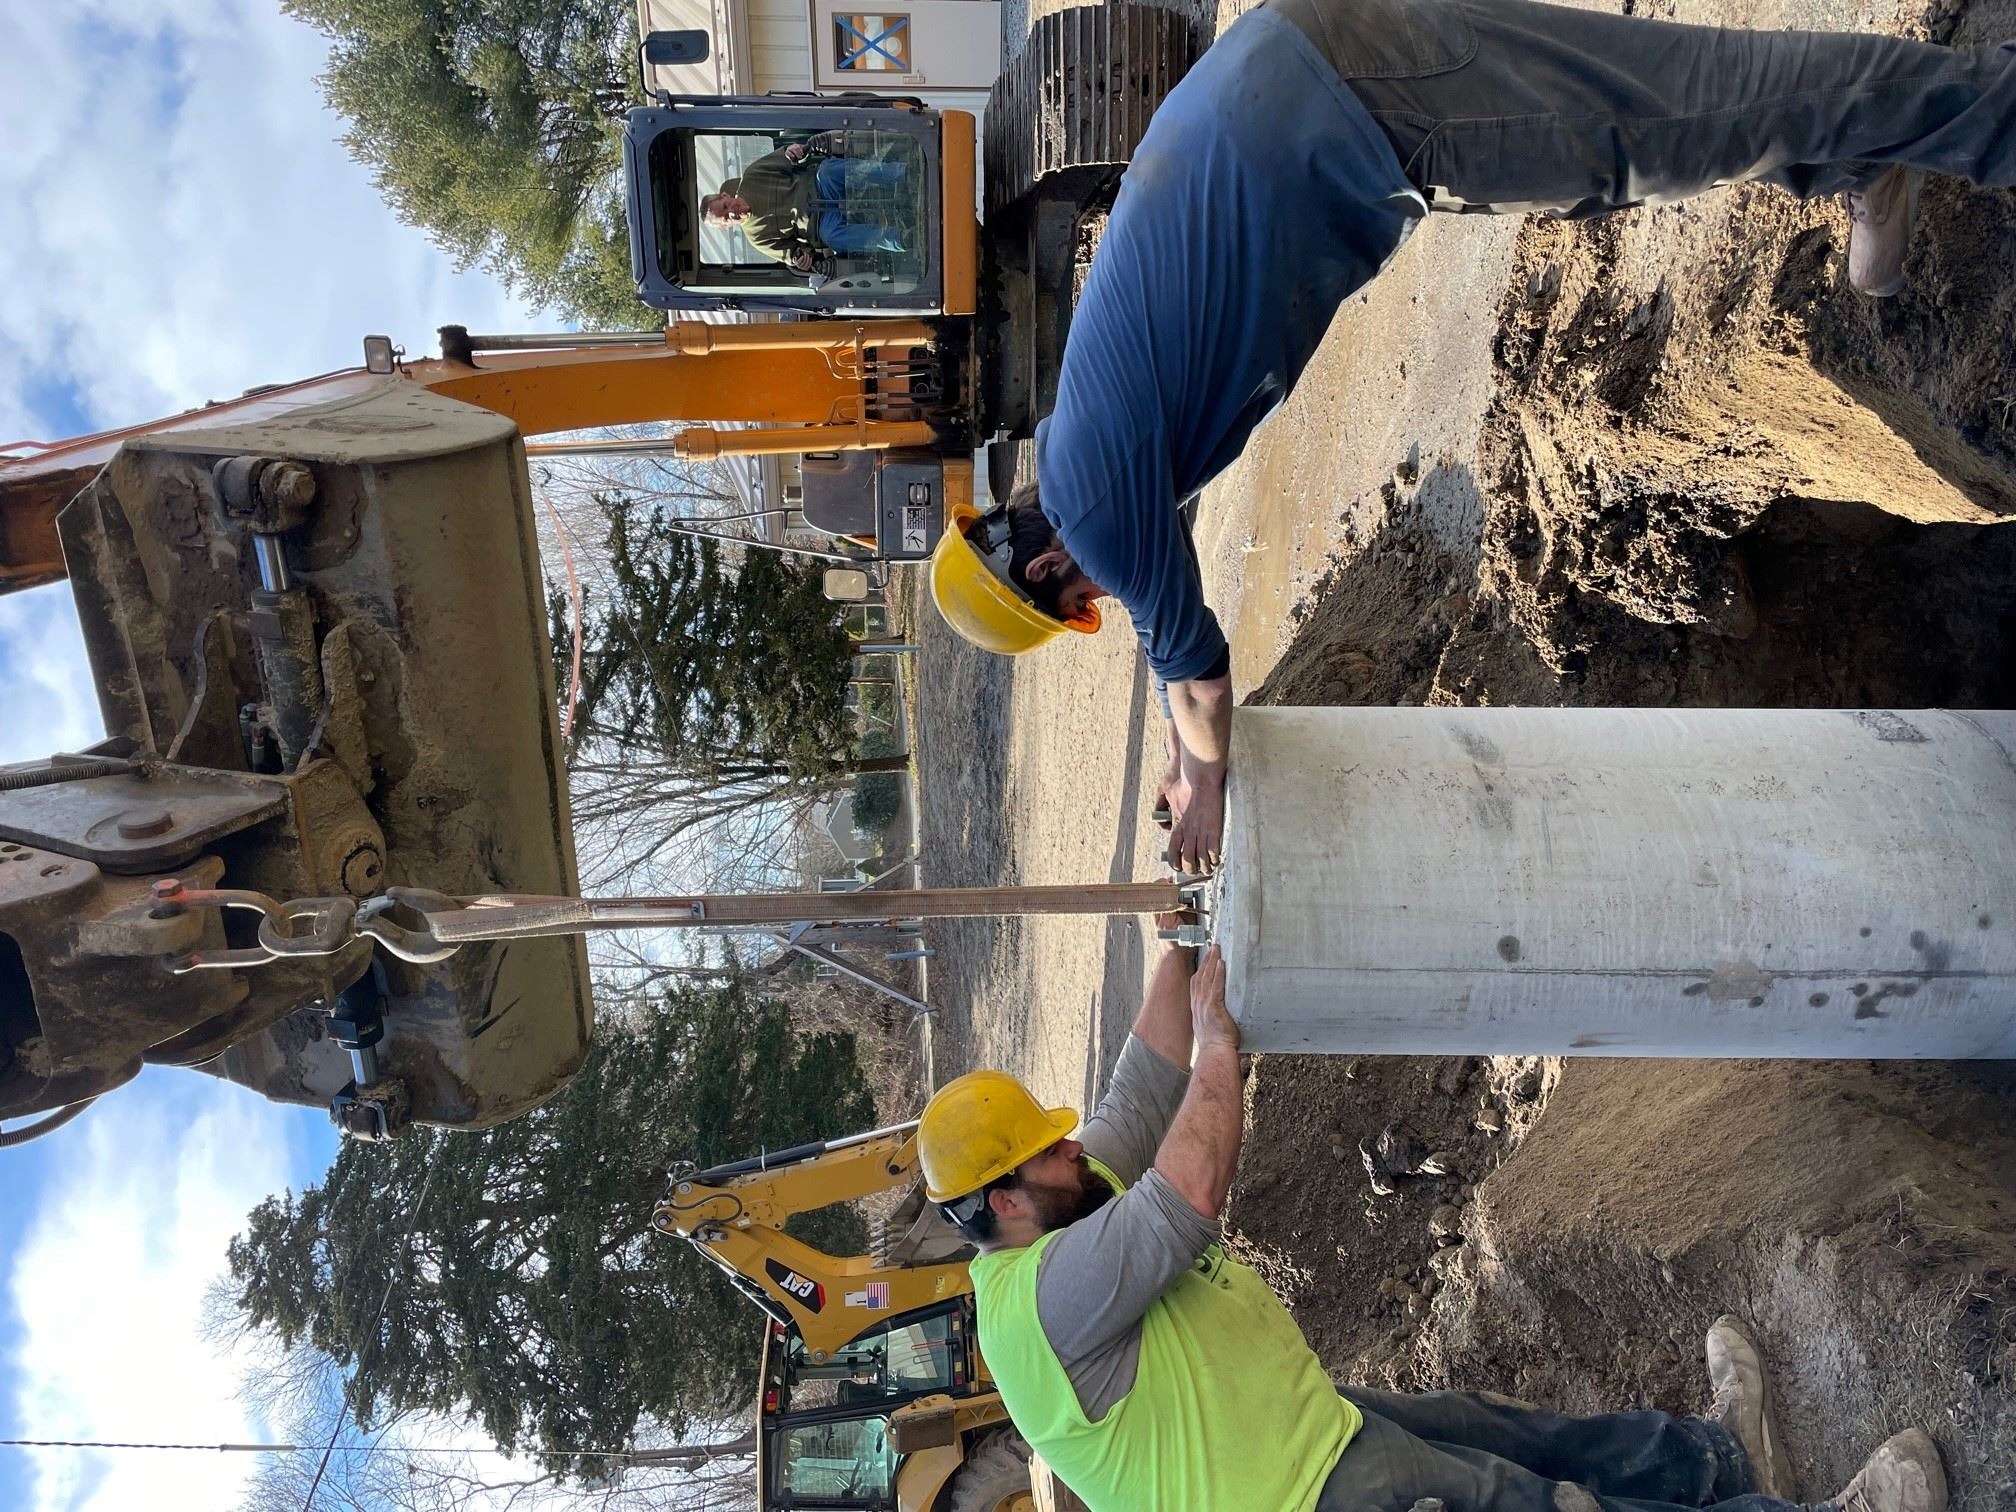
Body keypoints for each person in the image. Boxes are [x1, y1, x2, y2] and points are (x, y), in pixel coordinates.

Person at [926, 0, 2016, 875]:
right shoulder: (1082, 451)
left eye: (1077, 608)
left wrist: (1203, 784)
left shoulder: (1104, 519)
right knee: (1624, 144)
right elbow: (1178, 687)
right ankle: (1853, 153)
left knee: (1659, 121)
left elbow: (1198, 678)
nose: (1098, 606)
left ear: (1045, 567)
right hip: (1303, 90)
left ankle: (1978, 114)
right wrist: (1181, 751)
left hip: (1343, 110)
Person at [916, 930, 1952, 1512]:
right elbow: (1184, 1189)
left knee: (1505, 1431)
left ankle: (1721, 1464)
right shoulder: (1039, 1305)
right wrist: (1221, 1044)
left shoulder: (1053, 1205)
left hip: (1314, 1429)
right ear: (1005, 1200)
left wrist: (1189, 931)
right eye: (1048, 1151)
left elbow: (1140, 1092)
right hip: (1308, 1498)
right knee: (1535, 1511)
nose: (1074, 1149)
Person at [702, 137, 909, 272]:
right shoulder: (757, 238)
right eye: (726, 218)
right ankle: (900, 238)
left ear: (725, 195)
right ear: (728, 227)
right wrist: (801, 259)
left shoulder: (753, 175)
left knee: (828, 170)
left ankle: (903, 173)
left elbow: (787, 158)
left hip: (819, 186)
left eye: (726, 206)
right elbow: (794, 253)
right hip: (820, 224)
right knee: (833, 237)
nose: (731, 213)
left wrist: (793, 151)